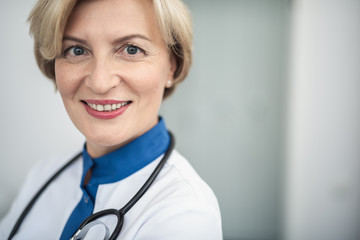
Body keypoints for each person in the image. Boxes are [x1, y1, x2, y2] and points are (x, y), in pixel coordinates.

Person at [0, 0, 222, 239]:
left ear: (172, 66)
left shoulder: (185, 216)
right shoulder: (43, 176)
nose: (100, 82)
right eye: (76, 50)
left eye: (131, 49)